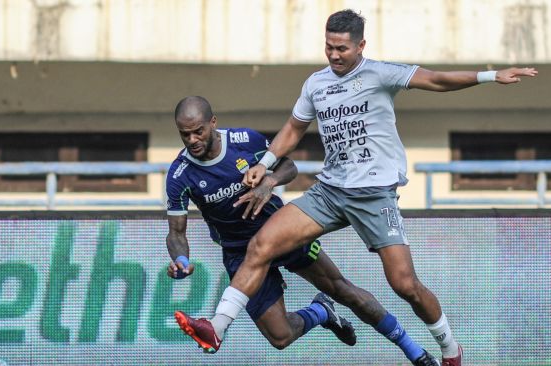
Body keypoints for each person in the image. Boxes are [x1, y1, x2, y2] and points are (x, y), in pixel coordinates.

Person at [174, 10, 539, 366]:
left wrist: (491, 75)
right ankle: (216, 326)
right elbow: (293, 130)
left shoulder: (380, 73)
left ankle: (448, 347)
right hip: (329, 193)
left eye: (342, 49)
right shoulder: (316, 84)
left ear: (361, 45)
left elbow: (438, 79)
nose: (334, 55)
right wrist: (264, 165)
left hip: (374, 195)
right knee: (261, 245)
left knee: (405, 284)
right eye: (328, 47)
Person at [168, 96, 442, 366]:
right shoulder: (180, 175)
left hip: (282, 233)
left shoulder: (244, 140)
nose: (192, 140)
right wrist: (181, 260)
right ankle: (321, 311)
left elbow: (289, 166)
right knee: (280, 337)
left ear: (213, 122)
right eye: (185, 134)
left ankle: (414, 350)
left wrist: (270, 180)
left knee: (344, 291)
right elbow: (177, 233)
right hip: (240, 253)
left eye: (198, 131)